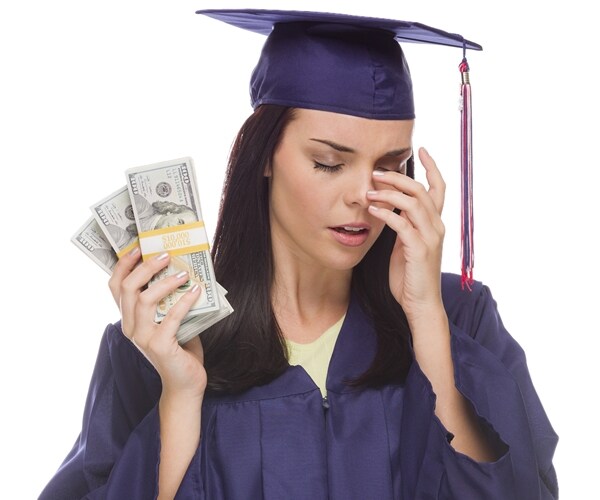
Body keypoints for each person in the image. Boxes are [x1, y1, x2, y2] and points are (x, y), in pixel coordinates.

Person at [39, 8, 558, 499]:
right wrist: (181, 396)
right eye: (330, 163)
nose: (363, 196)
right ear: (263, 156)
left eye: (391, 165)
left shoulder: (461, 317)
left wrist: (427, 324)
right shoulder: (160, 336)